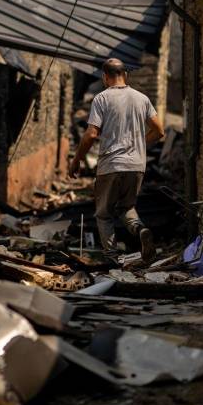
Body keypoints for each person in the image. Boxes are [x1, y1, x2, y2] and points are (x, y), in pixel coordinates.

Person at [68, 58, 164, 262]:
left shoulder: (102, 99)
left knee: (104, 214)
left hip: (111, 165)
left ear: (105, 77)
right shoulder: (142, 98)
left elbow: (91, 134)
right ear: (125, 75)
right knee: (126, 208)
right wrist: (139, 146)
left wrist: (76, 160)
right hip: (136, 166)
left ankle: (111, 257)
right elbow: (159, 130)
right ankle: (140, 230)